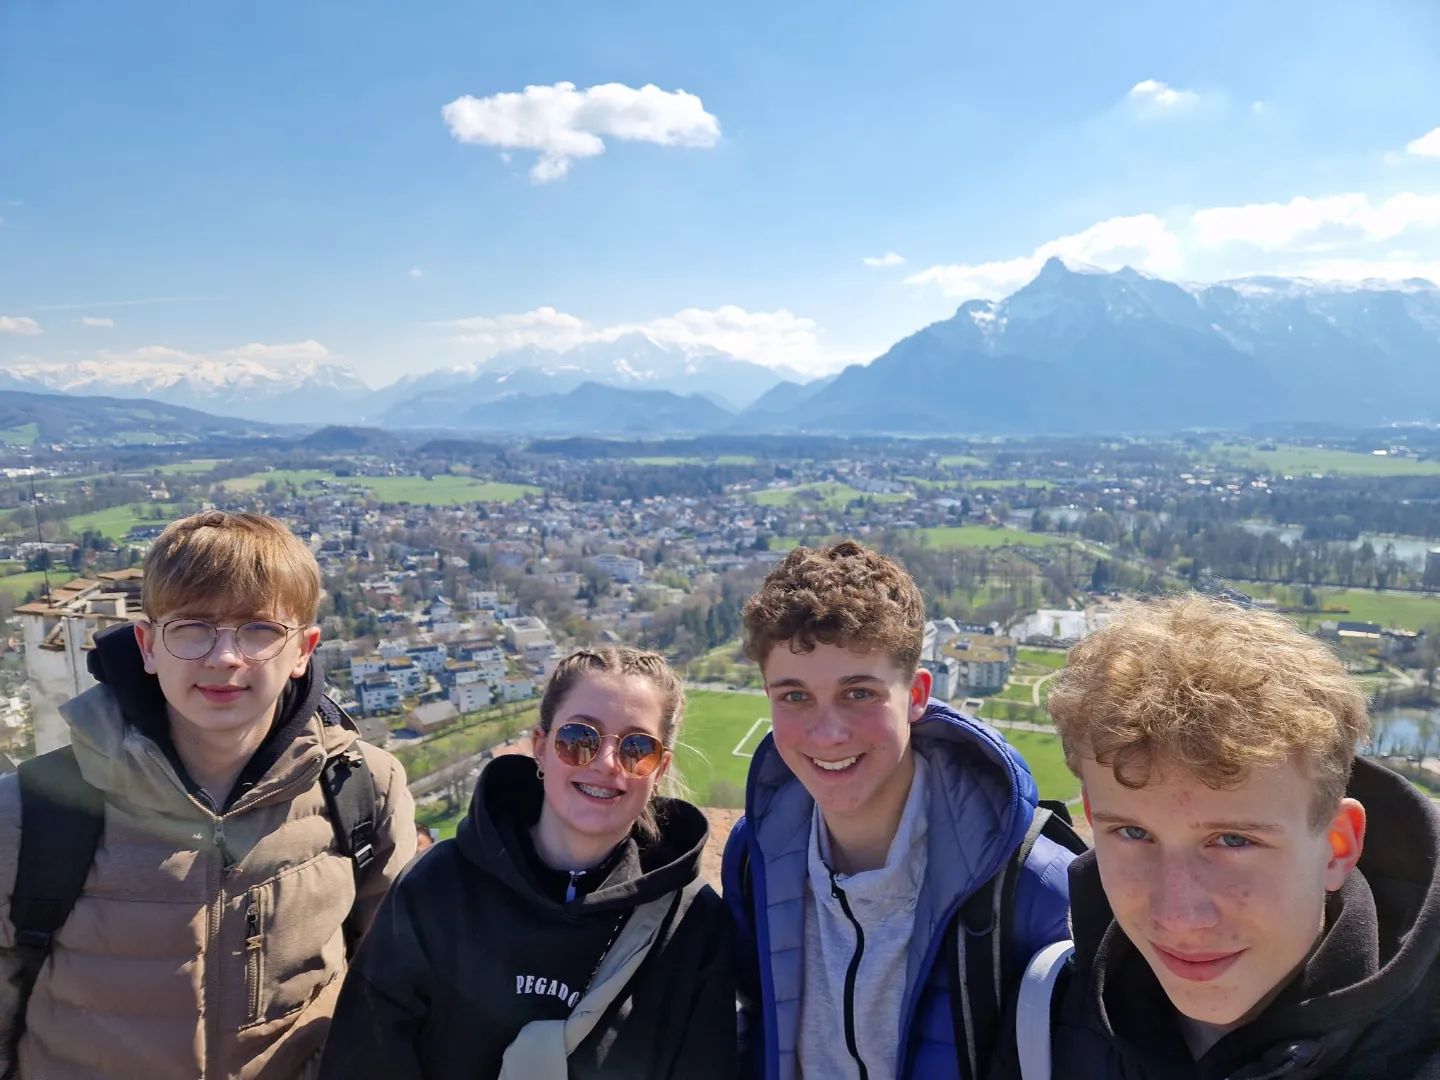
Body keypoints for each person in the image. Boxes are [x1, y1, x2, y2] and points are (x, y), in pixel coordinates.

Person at [0, 510, 416, 1078]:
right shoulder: (31, 812)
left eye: (259, 629)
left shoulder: (363, 791)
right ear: (148, 646)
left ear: (303, 650)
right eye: (192, 627)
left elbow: (389, 988)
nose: (224, 658)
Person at [1004, 593, 1440, 1079]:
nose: (1178, 917)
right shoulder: (1043, 1019)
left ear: (1337, 846)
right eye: (1132, 832)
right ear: (1092, 817)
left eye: (1233, 841)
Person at [722, 541, 1079, 1080]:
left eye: (859, 694)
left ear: (916, 695)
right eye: (794, 696)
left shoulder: (1032, 885)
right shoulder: (755, 856)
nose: (827, 733)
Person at [319, 645, 735, 1079]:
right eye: (579, 739)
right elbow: (365, 1059)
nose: (607, 764)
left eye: (637, 748)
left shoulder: (690, 923)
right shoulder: (439, 887)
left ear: (660, 769)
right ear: (540, 747)